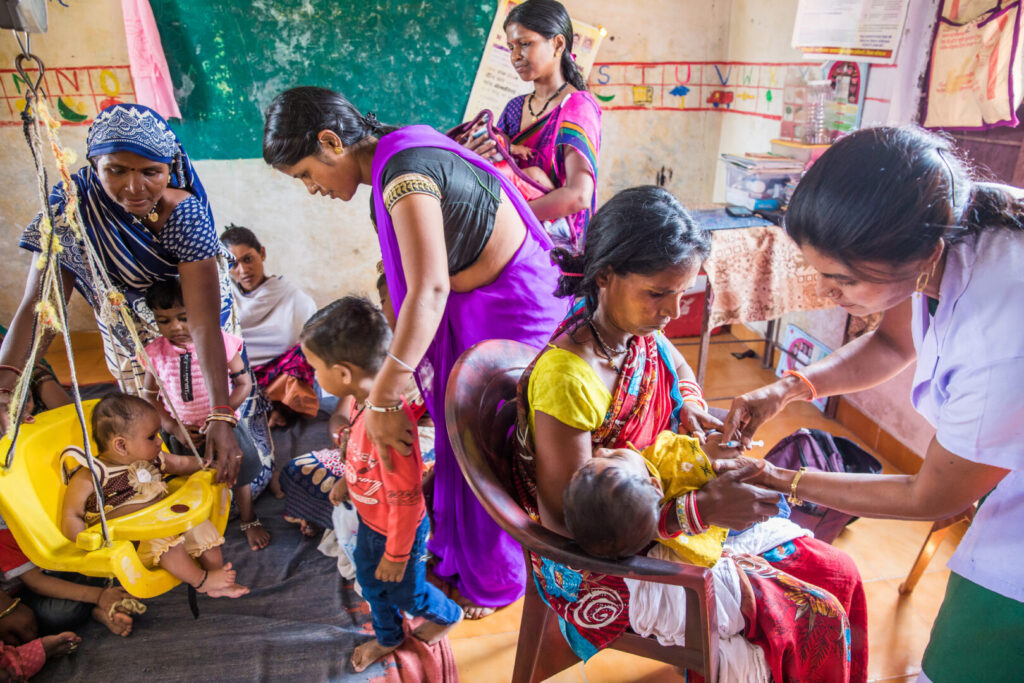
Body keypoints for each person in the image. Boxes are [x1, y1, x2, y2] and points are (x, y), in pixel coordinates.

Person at [513, 186, 867, 681]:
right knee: (808, 615)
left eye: (684, 293)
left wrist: (693, 409)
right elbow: (573, 524)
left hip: (660, 512)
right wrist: (698, 510)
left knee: (841, 574)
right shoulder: (568, 379)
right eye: (658, 293)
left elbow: (672, 360)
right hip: (605, 560)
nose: (673, 311)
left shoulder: (631, 333)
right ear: (606, 275)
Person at [719, 126, 1024, 683]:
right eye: (818, 271)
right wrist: (787, 387)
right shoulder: (936, 245)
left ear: (925, 255)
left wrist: (778, 478)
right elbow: (892, 342)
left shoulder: (1002, 332)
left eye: (843, 280)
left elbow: (931, 494)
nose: (827, 293)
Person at [263, 86, 567, 618]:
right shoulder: (397, 157)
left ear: (331, 142)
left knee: (486, 448)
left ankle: (494, 580)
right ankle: (460, 552)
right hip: (483, 305)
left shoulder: (404, 176)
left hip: (510, 311)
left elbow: (428, 290)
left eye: (307, 174)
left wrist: (381, 399)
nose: (311, 189)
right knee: (457, 440)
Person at [1, 103, 269, 493]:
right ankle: (168, 470)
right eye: (116, 170)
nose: (134, 187)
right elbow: (41, 305)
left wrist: (222, 413)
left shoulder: (183, 215)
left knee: (228, 421)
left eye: (150, 172)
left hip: (191, 315)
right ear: (93, 164)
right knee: (147, 412)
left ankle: (240, 463)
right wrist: (9, 381)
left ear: (169, 167)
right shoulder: (71, 210)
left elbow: (202, 322)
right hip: (123, 318)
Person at [298, 297, 462, 672]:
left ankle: (448, 614)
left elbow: (406, 500)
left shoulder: (390, 428)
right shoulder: (362, 403)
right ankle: (390, 637)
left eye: (313, 367)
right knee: (373, 587)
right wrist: (345, 482)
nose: (312, 374)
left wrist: (397, 554)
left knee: (407, 591)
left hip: (396, 532)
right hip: (373, 524)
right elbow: (356, 451)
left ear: (341, 373)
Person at [60, 394, 248, 599]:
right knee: (161, 541)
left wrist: (208, 464)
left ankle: (215, 577)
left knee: (200, 525)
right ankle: (201, 580)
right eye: (152, 437)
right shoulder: (93, 474)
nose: (160, 442)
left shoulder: (153, 458)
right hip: (134, 541)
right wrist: (85, 545)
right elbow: (72, 514)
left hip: (169, 522)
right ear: (121, 445)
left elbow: (182, 464)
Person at [140, 278, 270, 551]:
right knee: (190, 481)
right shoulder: (154, 353)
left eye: (184, 317)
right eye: (163, 321)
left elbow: (244, 384)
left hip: (225, 427)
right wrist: (174, 428)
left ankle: (248, 519)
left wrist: (219, 418)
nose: (175, 327)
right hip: (183, 432)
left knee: (239, 473)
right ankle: (201, 529)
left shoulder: (220, 342)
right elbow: (149, 396)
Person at [462, 0, 601, 251]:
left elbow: (579, 195)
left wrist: (511, 219)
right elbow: (497, 169)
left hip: (555, 247)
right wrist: (471, 156)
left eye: (525, 44)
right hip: (507, 241)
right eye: (511, 46)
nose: (515, 56)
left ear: (558, 44)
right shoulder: (514, 109)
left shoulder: (577, 107)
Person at [563, 431, 734, 565]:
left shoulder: (633, 518)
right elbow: (722, 451)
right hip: (730, 515)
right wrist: (709, 442)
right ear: (655, 486)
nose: (601, 450)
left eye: (593, 459)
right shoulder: (674, 468)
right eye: (616, 456)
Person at [219, 225, 319, 427]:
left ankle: (279, 410)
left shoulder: (293, 298)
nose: (243, 270)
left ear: (262, 253)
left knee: (305, 353)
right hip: (241, 378)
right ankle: (261, 411)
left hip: (279, 379)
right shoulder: (224, 302)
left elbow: (311, 344)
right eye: (233, 264)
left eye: (248, 259)